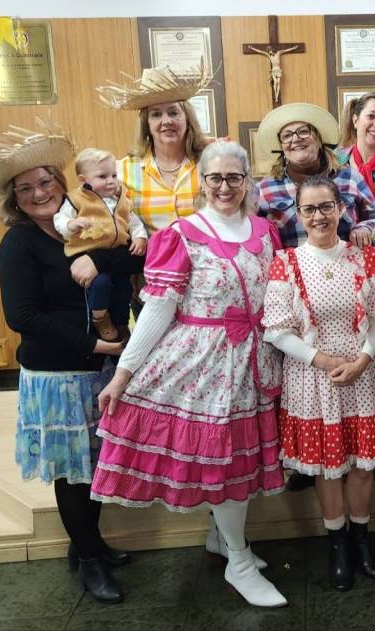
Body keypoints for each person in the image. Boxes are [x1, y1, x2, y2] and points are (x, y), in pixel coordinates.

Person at [90, 141, 288, 607]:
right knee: (226, 463)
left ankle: (222, 540)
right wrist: (123, 374)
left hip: (255, 360)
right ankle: (239, 561)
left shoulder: (265, 232)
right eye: (215, 178)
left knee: (239, 459)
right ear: (203, 181)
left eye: (234, 177)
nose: (224, 187)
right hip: (202, 366)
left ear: (247, 180)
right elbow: (158, 310)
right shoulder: (182, 234)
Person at [0, 124, 140, 604]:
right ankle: (89, 561)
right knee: (72, 471)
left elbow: (130, 260)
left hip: (98, 368)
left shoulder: (85, 224)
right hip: (57, 374)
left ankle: (88, 544)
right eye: (25, 189)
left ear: (63, 184)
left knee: (96, 464)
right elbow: (21, 316)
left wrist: (100, 262)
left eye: (45, 182)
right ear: (15, 201)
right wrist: (95, 346)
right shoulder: (19, 243)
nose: (38, 193)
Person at [262, 174, 375, 591]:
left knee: (362, 466)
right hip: (312, 379)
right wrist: (322, 360)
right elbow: (276, 329)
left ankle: (361, 541)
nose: (318, 216)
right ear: (298, 215)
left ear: (340, 209)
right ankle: (337, 545)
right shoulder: (286, 262)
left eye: (326, 207)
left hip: (360, 372)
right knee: (328, 467)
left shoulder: (364, 257)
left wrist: (363, 359)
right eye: (309, 209)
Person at [97, 66, 212, 233]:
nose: (166, 121)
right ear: (147, 124)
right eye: (156, 114)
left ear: (188, 118)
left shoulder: (210, 162)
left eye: (173, 113)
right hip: (150, 250)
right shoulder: (122, 171)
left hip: (204, 249)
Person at [53, 148, 148, 341]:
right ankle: (100, 318)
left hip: (116, 255)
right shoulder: (76, 199)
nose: (111, 180)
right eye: (102, 176)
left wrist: (140, 237)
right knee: (101, 284)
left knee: (124, 288)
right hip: (87, 254)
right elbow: (59, 220)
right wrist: (72, 224)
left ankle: (121, 323)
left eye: (114, 175)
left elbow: (133, 221)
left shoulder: (120, 199)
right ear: (83, 180)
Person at [256, 102, 375, 248]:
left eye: (303, 131)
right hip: (291, 262)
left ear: (319, 139)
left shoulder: (349, 177)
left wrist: (363, 228)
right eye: (287, 136)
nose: (295, 139)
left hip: (346, 260)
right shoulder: (265, 188)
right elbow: (251, 229)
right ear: (281, 147)